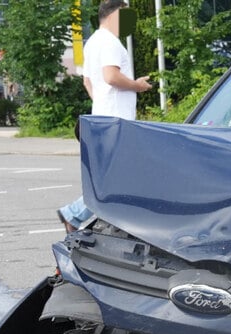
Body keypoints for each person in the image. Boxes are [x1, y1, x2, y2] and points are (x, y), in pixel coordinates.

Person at [58, 0, 152, 232]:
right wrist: (136, 85)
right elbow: (111, 76)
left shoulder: (93, 42)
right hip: (115, 120)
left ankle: (106, 222)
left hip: (102, 116)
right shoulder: (110, 42)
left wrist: (101, 101)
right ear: (116, 14)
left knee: (115, 175)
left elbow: (88, 81)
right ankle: (75, 214)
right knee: (120, 176)